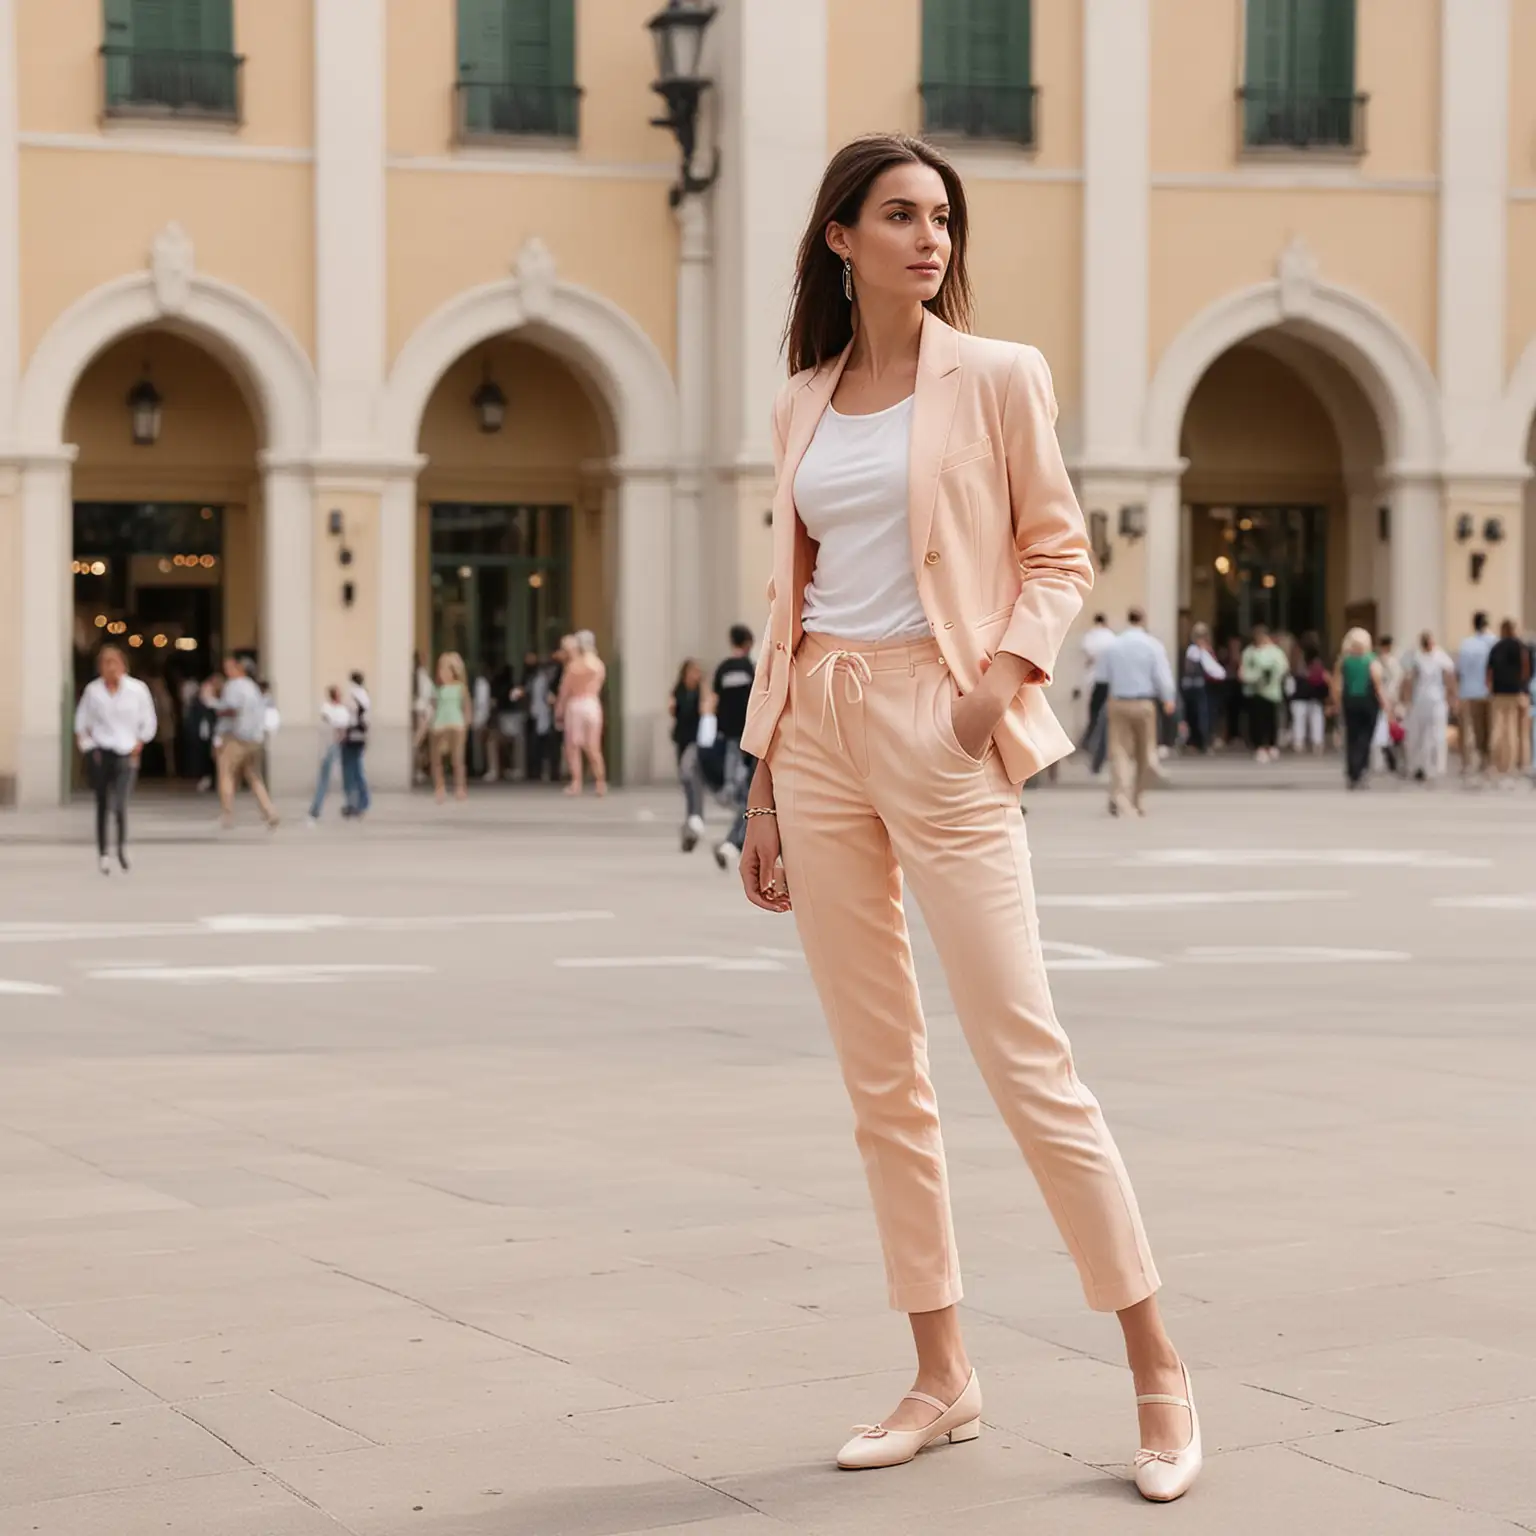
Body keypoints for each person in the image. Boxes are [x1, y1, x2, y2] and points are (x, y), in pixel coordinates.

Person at [733, 135, 1195, 1501]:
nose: (928, 237)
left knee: (1024, 1055)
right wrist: (761, 778)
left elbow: (1056, 548)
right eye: (898, 215)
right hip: (816, 731)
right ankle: (942, 1375)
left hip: (942, 727)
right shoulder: (803, 400)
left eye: (942, 217)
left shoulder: (995, 377)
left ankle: (1158, 1370)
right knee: (884, 1080)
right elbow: (789, 598)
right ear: (839, 238)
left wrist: (993, 692)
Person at [74, 643, 156, 874]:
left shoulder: (137, 690)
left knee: (120, 804)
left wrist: (140, 742)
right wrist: (89, 748)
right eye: (105, 663)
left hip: (127, 750)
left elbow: (148, 720)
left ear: (122, 665)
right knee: (102, 803)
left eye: (114, 663)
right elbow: (82, 723)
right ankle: (103, 853)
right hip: (102, 750)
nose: (110, 668)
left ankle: (121, 848)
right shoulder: (94, 691)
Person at [1103, 608, 1176, 817]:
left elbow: (1103, 676)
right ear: (1143, 620)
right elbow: (1162, 675)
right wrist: (1168, 699)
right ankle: (1136, 797)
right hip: (1144, 703)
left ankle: (1121, 797)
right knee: (1145, 752)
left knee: (1120, 752)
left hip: (1118, 702)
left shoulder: (1114, 645)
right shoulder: (1152, 645)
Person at [710, 625, 758, 869]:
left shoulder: (723, 669)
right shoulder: (751, 669)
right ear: (748, 642)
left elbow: (713, 700)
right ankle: (733, 843)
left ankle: (732, 841)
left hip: (729, 732)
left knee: (740, 788)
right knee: (751, 795)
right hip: (749, 735)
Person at [215, 655, 279, 829]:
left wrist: (213, 704)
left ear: (239, 669)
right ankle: (269, 811)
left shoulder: (234, 686)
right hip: (255, 738)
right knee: (254, 776)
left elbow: (230, 709)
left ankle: (227, 814)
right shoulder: (253, 687)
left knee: (226, 773)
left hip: (237, 737)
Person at [1332, 628, 1388, 789]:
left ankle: (1352, 771)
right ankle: (1361, 769)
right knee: (1365, 737)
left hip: (1350, 701)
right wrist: (1385, 703)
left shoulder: (1343, 661)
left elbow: (1336, 684)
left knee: (1351, 736)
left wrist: (1336, 702)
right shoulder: (1371, 660)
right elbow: (1377, 684)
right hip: (1368, 701)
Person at [556, 630, 608, 796]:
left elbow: (565, 690)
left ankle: (576, 783)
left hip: (576, 704)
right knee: (594, 747)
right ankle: (600, 783)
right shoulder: (598, 665)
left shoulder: (574, 666)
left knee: (573, 746)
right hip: (593, 703)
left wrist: (559, 709)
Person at [1485, 619, 1531, 785]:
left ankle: (1498, 763)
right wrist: (1522, 687)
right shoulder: (1521, 647)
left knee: (1498, 728)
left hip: (1499, 693)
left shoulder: (1496, 647)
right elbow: (1526, 669)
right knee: (1516, 730)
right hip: (1516, 692)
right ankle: (1517, 762)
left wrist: (1490, 689)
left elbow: (1489, 672)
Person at [670, 659, 706, 851]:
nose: (696, 675)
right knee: (687, 780)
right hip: (682, 738)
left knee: (688, 773)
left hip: (697, 739)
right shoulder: (679, 690)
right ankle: (693, 816)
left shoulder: (701, 690)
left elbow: (706, 710)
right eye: (693, 671)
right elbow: (673, 709)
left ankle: (695, 817)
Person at [1455, 611, 1496, 780]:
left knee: (1470, 730)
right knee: (1489, 728)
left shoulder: (1467, 644)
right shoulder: (1494, 642)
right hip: (1489, 691)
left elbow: (1459, 670)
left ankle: (1468, 762)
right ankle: (1487, 761)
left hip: (1469, 691)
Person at [1240, 624, 1288, 762]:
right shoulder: (1249, 652)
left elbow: (1282, 667)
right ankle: (1259, 746)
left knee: (1271, 720)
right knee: (1257, 720)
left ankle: (1272, 745)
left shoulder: (1275, 652)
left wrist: (1272, 676)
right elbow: (1244, 671)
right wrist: (1253, 678)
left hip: (1272, 692)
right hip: (1255, 692)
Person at [306, 685, 352, 824]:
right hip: (329, 747)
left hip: (340, 745)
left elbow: (343, 725)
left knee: (347, 777)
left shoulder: (341, 709)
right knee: (324, 779)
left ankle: (349, 805)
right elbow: (334, 723)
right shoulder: (327, 708)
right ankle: (316, 809)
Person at [430, 652, 471, 803]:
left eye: (446, 669)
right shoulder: (438, 689)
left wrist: (466, 724)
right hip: (439, 724)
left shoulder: (460, 687)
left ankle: (460, 787)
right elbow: (433, 708)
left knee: (457, 759)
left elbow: (466, 707)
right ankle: (439, 788)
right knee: (436, 759)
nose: (442, 672)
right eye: (441, 669)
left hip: (456, 724)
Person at [1179, 622, 1225, 754]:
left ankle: (1195, 742)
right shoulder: (1199, 651)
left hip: (1190, 687)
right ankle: (1202, 743)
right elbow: (1215, 671)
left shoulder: (1190, 650)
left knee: (1194, 715)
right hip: (1200, 687)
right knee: (1201, 716)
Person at [1079, 612, 1115, 759]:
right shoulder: (1111, 637)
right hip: (1108, 680)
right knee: (1107, 714)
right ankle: (1103, 742)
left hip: (1093, 680)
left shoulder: (1090, 637)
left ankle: (1091, 742)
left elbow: (1088, 654)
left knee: (1093, 713)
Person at [1288, 638, 1329, 755]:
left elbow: (1292, 673)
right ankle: (1317, 743)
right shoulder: (1318, 662)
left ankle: (1299, 742)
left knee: (1299, 720)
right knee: (1316, 719)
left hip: (1299, 694)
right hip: (1314, 695)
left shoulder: (1296, 661)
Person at [342, 671, 371, 817]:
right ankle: (363, 801)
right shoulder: (365, 695)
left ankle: (352, 803)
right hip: (361, 737)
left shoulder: (351, 694)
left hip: (350, 736)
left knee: (349, 771)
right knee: (358, 770)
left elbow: (347, 716)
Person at [411, 653, 435, 785]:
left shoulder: (416, 675)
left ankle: (418, 770)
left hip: (418, 710)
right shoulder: (422, 675)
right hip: (423, 712)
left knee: (418, 743)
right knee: (418, 743)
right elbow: (431, 695)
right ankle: (418, 770)